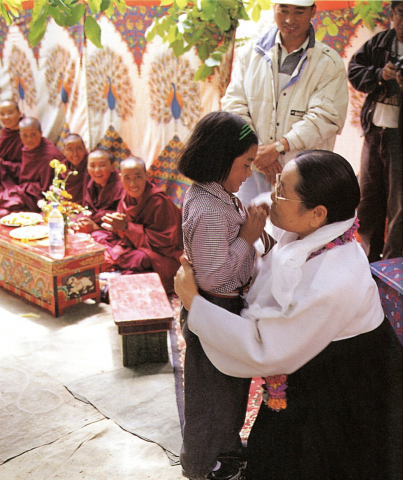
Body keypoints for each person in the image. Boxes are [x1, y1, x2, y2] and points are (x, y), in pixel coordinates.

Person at [174, 150, 403, 480]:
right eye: (277, 183)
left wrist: (195, 302)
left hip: (348, 383)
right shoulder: (312, 231)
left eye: (281, 192)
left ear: (317, 214)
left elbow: (267, 349)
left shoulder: (335, 278)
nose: (271, 197)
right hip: (311, 360)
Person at [177, 112, 272, 480]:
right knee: (212, 397)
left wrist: (251, 231)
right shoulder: (209, 209)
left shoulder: (216, 194)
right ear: (219, 158)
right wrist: (248, 236)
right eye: (245, 164)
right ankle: (206, 465)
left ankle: (226, 450)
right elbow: (217, 275)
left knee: (230, 389)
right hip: (214, 307)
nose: (249, 173)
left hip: (220, 308)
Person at [221, 0, 348, 206]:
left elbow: (326, 117)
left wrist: (278, 148)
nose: (290, 19)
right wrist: (259, 151)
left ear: (313, 11)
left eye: (299, 12)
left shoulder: (329, 62)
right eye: (284, 10)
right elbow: (234, 106)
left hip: (303, 174)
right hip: (253, 167)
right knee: (246, 229)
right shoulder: (249, 54)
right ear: (274, 9)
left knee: (296, 235)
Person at [348, 1, 403, 262]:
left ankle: (392, 267)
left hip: (399, 140)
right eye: (401, 14)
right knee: (367, 202)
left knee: (399, 207)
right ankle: (367, 263)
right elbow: (354, 71)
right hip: (374, 133)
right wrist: (380, 74)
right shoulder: (380, 42)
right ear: (392, 15)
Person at [97, 156, 183, 294]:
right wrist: (117, 226)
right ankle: (124, 276)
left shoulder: (159, 201)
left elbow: (166, 241)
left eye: (137, 177)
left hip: (163, 254)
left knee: (138, 259)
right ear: (120, 177)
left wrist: (126, 227)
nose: (132, 184)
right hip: (135, 246)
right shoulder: (126, 197)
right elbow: (123, 236)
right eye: (127, 178)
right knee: (100, 241)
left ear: (146, 175)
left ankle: (119, 278)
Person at [0, 117, 65, 217]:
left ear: (41, 133)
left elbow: (46, 187)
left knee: (5, 209)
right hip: (24, 189)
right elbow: (23, 170)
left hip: (36, 196)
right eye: (25, 135)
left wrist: (23, 190)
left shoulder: (49, 155)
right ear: (20, 135)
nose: (29, 139)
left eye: (33, 134)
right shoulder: (26, 147)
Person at [75, 148, 124, 234]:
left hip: (112, 230)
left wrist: (95, 227)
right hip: (95, 223)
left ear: (113, 167)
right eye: (92, 166)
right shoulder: (92, 183)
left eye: (102, 165)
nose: (97, 170)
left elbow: (122, 219)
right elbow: (88, 208)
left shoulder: (122, 185)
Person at [0, 99, 24, 190]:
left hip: (18, 180)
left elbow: (30, 167)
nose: (6, 117)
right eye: (2, 114)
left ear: (19, 113)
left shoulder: (26, 133)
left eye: (10, 113)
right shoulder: (6, 133)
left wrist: (3, 164)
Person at [61, 133, 88, 205]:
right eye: (69, 149)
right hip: (66, 206)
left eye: (79, 148)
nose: (75, 153)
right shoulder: (62, 167)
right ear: (63, 151)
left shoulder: (92, 165)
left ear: (85, 149)